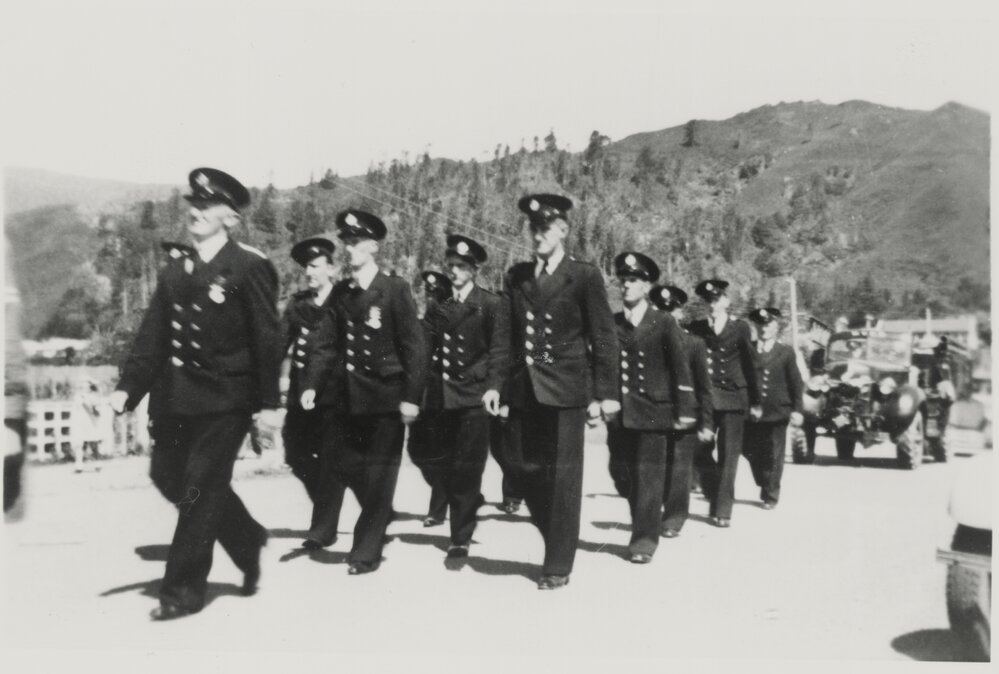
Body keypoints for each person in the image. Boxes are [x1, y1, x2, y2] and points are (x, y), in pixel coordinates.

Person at [110, 168, 282, 620]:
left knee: (199, 489)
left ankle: (182, 591)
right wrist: (126, 390)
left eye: (207, 206)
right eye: (193, 204)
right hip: (175, 398)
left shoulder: (249, 266)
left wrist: (268, 406)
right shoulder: (176, 268)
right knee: (168, 477)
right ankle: (245, 536)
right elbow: (152, 337)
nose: (196, 212)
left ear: (231, 217)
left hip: (226, 399)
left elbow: (267, 339)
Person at [483, 193, 619, 589]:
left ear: (562, 230)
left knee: (562, 480)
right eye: (533, 228)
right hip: (524, 389)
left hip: (566, 391)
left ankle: (557, 564)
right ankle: (559, 532)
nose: (537, 235)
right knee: (518, 464)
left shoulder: (585, 275)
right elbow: (504, 337)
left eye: (545, 228)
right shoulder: (517, 276)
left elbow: (603, 337)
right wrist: (495, 383)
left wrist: (605, 392)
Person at [300, 209, 427, 575]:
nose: (349, 249)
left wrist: (411, 397)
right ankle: (370, 523)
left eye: (355, 243)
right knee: (342, 465)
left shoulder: (394, 289)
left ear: (373, 247)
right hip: (347, 399)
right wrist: (311, 384)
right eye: (346, 243)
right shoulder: (341, 292)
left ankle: (365, 552)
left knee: (379, 476)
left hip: (386, 398)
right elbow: (325, 344)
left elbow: (415, 347)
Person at [605, 255, 695, 563]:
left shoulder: (663, 322)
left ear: (646, 285)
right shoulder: (612, 323)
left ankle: (643, 541)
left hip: (655, 412)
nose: (626, 285)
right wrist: (598, 398)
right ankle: (646, 516)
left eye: (633, 280)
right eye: (623, 280)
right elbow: (601, 365)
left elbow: (680, 368)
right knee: (621, 474)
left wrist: (685, 410)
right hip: (619, 415)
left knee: (648, 478)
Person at [418, 235, 499, 558]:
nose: (454, 271)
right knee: (439, 463)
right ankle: (466, 504)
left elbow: (499, 351)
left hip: (474, 398)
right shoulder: (440, 307)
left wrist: (494, 387)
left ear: (474, 269)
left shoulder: (490, 304)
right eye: (451, 265)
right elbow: (425, 350)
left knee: (467, 468)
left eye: (461, 266)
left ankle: (460, 536)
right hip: (441, 398)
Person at [282, 237, 347, 549]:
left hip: (335, 394)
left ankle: (323, 528)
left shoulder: (344, 302)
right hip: (299, 393)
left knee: (331, 459)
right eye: (306, 266)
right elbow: (279, 344)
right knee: (294, 454)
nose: (309, 272)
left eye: (316, 266)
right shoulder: (297, 304)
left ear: (331, 269)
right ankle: (327, 508)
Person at [688, 279, 761, 528]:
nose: (712, 305)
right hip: (706, 400)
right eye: (708, 301)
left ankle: (722, 510)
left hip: (733, 398)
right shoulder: (696, 328)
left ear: (726, 301)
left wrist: (756, 400)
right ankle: (712, 491)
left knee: (729, 456)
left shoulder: (739, 328)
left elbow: (751, 365)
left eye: (717, 300)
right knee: (699, 451)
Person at [649, 285, 714, 538]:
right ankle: (651, 513)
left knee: (679, 470)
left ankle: (673, 519)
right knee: (654, 468)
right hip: (652, 412)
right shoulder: (644, 338)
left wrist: (706, 422)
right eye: (660, 310)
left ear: (679, 312)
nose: (666, 316)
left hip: (684, 414)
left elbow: (704, 387)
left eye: (671, 310)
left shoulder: (694, 343)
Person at [743, 308, 803, 509]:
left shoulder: (785, 352)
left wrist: (797, 409)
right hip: (752, 411)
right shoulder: (748, 349)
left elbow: (795, 382)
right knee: (748, 448)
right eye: (760, 325)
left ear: (776, 327)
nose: (763, 329)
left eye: (768, 325)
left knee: (774, 453)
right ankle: (764, 479)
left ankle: (771, 495)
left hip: (777, 410)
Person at [409, 270, 453, 527]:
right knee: (416, 451)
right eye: (428, 291)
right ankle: (449, 489)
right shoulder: (424, 319)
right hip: (424, 395)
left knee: (440, 451)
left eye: (435, 291)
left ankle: (438, 509)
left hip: (445, 395)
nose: (430, 295)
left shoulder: (447, 317)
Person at [72, 380, 104, 473]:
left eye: (86, 386)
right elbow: (76, 407)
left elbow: (97, 410)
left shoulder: (94, 397)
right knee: (80, 444)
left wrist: (94, 412)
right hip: (80, 422)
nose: (84, 388)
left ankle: (98, 463)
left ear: (90, 387)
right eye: (82, 387)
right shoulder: (78, 396)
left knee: (93, 443)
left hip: (90, 422)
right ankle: (79, 466)